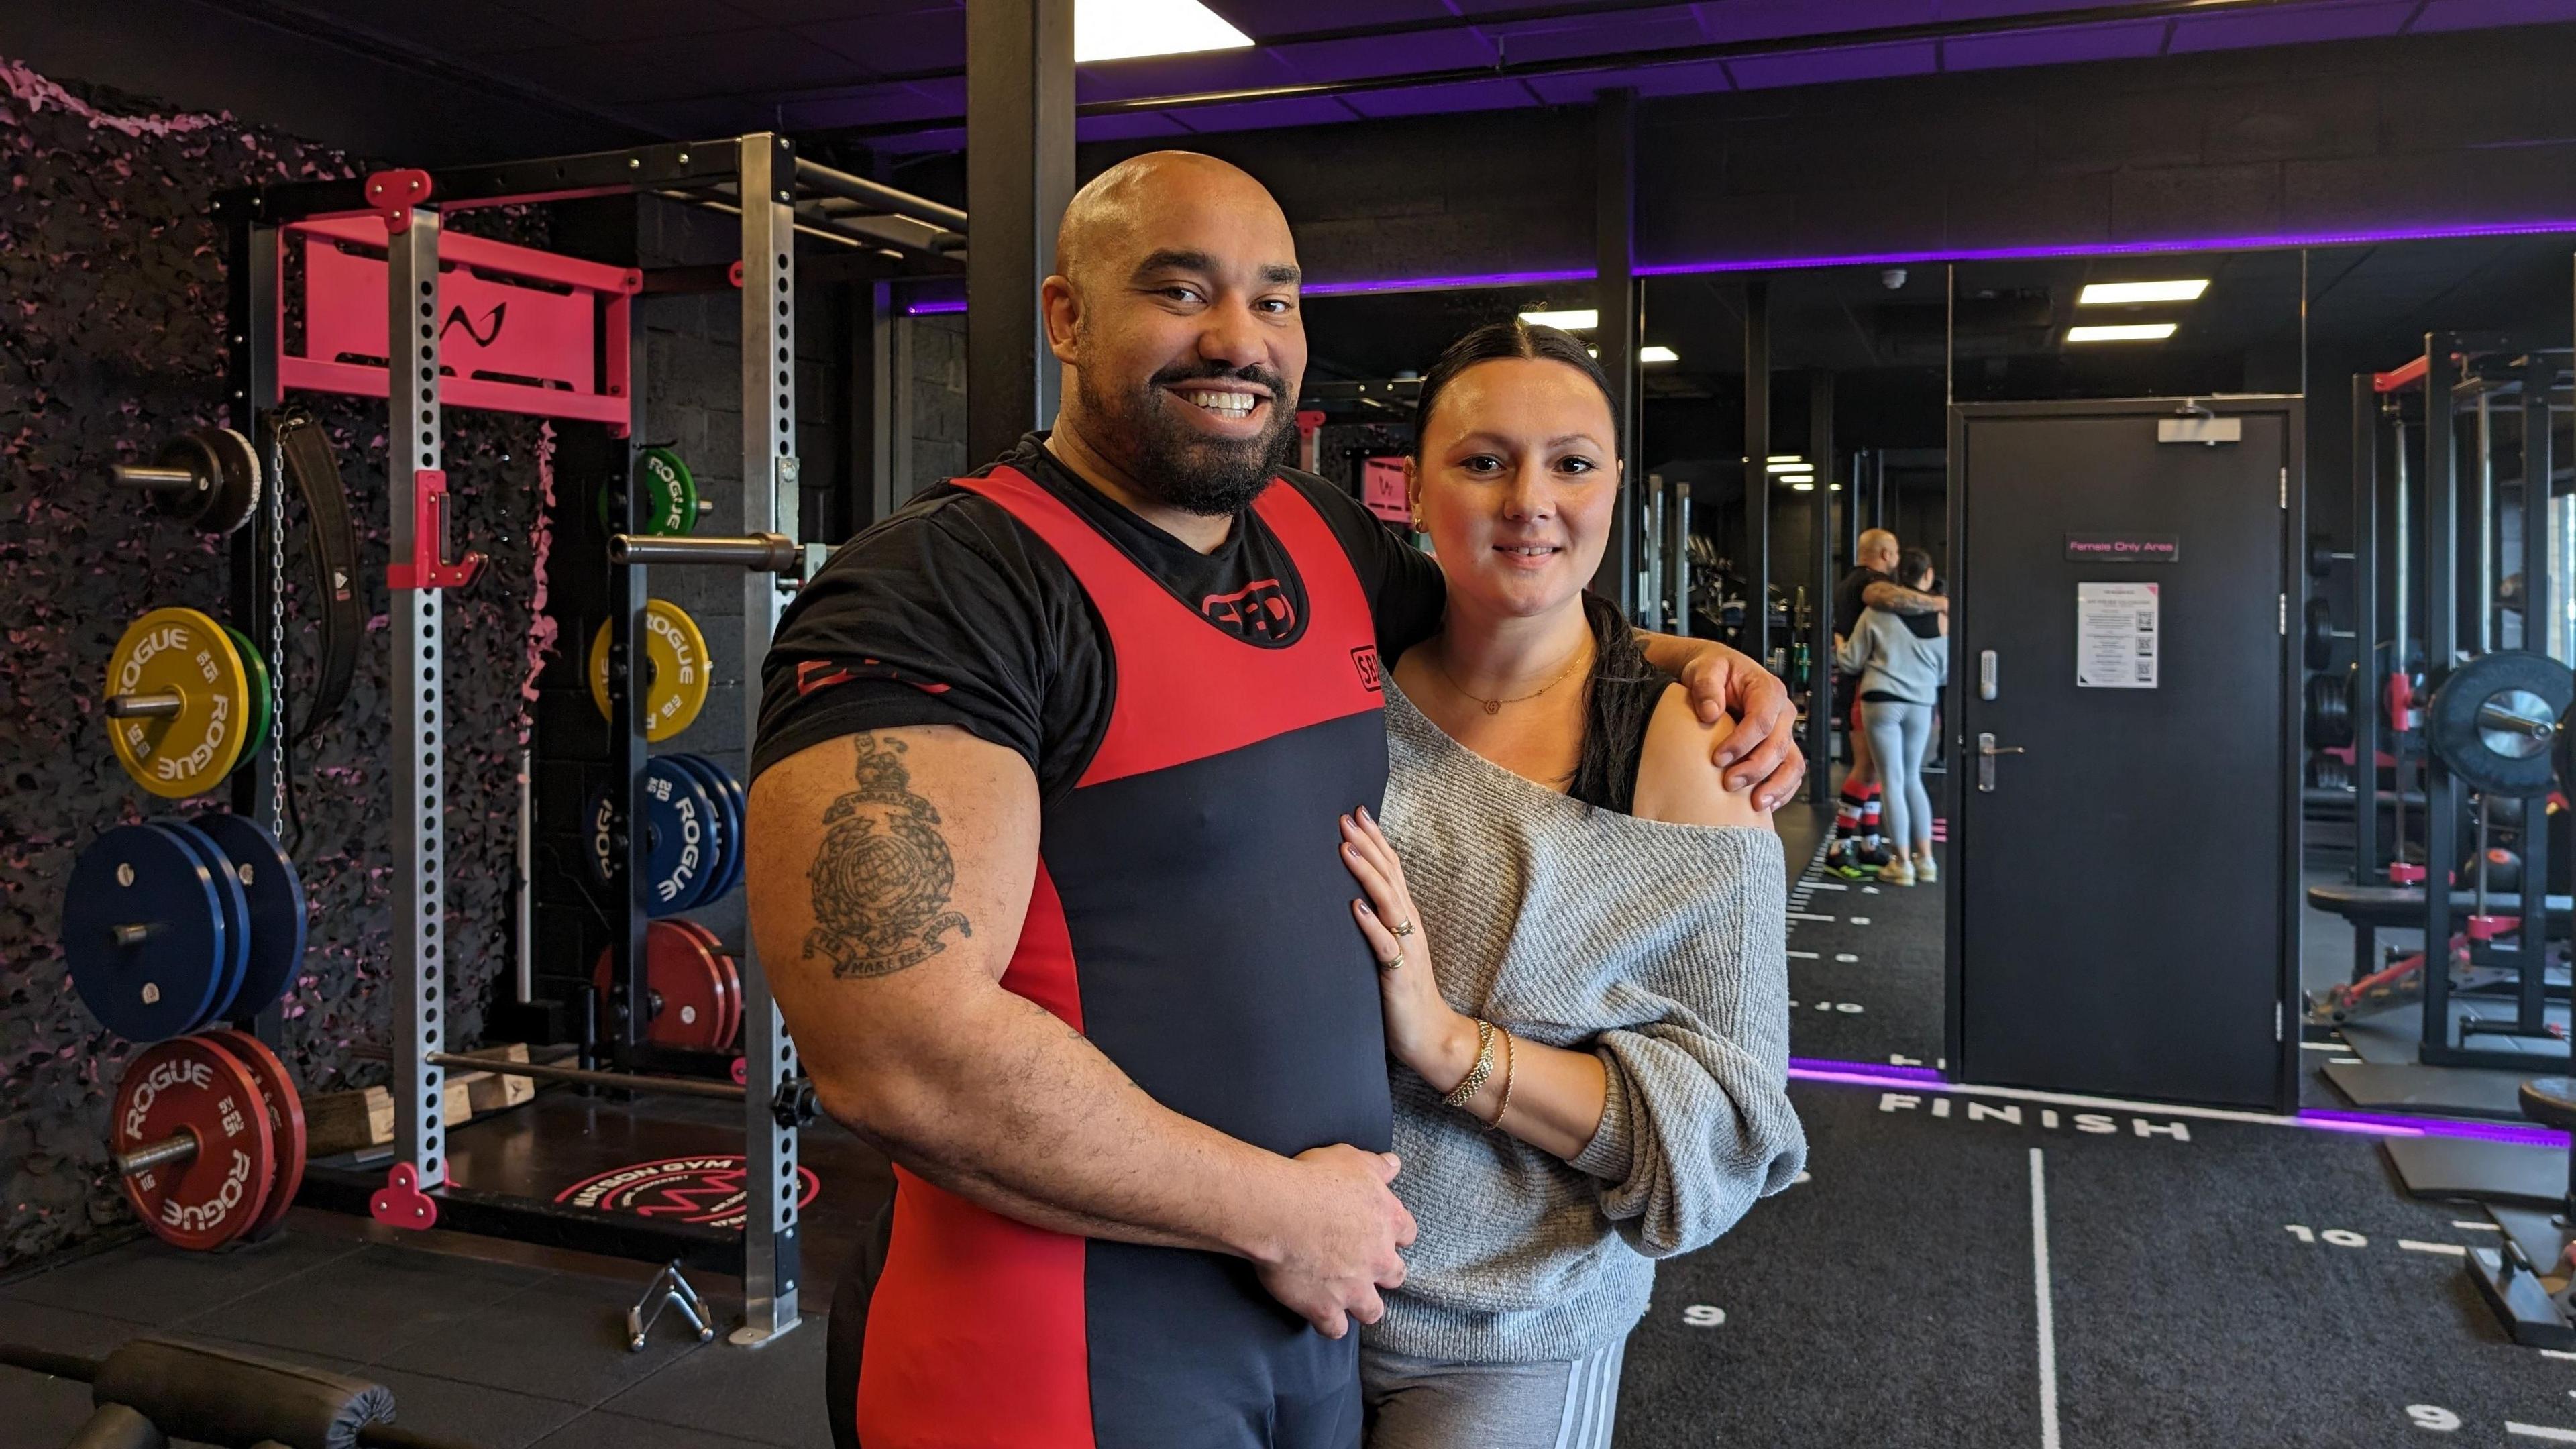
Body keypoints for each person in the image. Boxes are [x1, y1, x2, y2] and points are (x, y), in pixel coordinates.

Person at [743, 151, 1805, 1449]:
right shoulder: (938, 593)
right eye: (1181, 291)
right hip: (1066, 1344)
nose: (1238, 339)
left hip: (1320, 1328)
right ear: (1067, 318)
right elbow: (894, 1052)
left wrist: (1699, 665)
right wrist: (1279, 1211)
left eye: (1277, 300)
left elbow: (1522, 621)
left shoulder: (1318, 540)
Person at [1332, 320, 1809, 1449]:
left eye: (1572, 463)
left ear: (1614, 489)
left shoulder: (1688, 745)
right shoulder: (1347, 669)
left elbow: (1730, 1132)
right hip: (1275, 1283)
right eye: (1484, 460)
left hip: (1502, 1336)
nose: (1530, 498)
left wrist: (1452, 1049)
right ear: (1416, 487)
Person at [1827, 528, 1945, 878]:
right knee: (1896, 776)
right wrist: (1942, 604)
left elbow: (1849, 659)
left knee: (1883, 775)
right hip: (1915, 700)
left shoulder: (1875, 609)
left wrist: (1839, 642)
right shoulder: (1875, 590)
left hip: (1878, 696)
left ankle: (1888, 854)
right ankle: (1913, 858)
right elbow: (1945, 669)